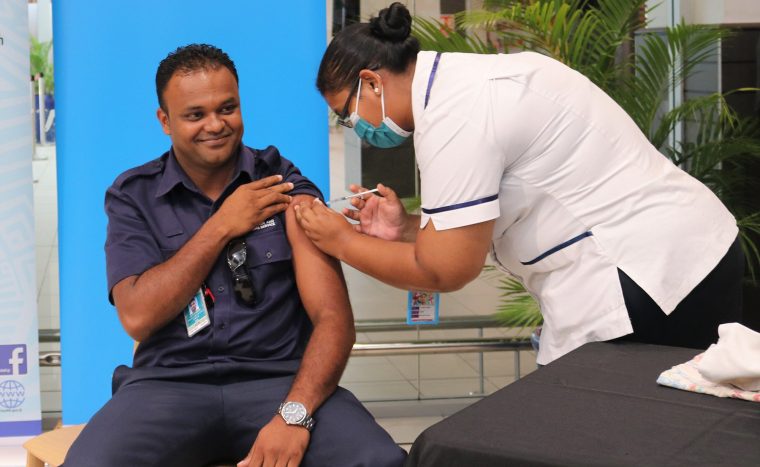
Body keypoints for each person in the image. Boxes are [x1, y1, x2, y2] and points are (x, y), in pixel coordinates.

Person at [294, 3, 745, 365]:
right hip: (691, 252)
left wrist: (340, 242)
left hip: (648, 275)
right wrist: (406, 226)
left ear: (371, 83)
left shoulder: (457, 114)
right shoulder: (468, 81)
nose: (353, 127)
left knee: (617, 433)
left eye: (346, 114)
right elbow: (491, 213)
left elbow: (445, 270)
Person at [63, 44, 406, 467]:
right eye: (195, 115)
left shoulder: (283, 183)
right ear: (165, 121)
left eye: (228, 108)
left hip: (281, 381)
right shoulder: (133, 196)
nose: (215, 125)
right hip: (168, 387)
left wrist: (294, 415)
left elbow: (334, 320)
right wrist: (222, 225)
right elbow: (138, 316)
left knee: (380, 461)